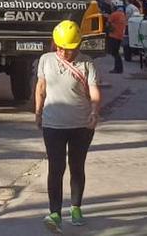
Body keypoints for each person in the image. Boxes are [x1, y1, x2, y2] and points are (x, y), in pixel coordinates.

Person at [35, 20, 101, 232]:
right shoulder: (45, 60)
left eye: (69, 49)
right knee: (56, 168)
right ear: (55, 44)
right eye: (61, 47)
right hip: (53, 124)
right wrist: (38, 111)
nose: (64, 52)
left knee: (76, 166)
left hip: (81, 125)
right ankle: (54, 213)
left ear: (78, 46)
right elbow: (41, 88)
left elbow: (94, 91)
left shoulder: (87, 63)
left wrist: (94, 111)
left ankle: (76, 208)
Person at [105, 0, 127, 74]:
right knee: (116, 53)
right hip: (120, 36)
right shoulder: (122, 14)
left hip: (113, 35)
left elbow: (108, 24)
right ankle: (118, 68)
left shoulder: (114, 14)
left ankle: (118, 69)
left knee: (115, 53)